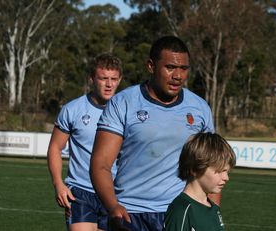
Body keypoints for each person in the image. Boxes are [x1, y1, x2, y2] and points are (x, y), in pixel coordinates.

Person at [90, 35, 215, 231]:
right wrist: (112, 206)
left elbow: (211, 166)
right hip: (130, 213)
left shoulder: (199, 108)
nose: (178, 76)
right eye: (170, 67)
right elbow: (101, 164)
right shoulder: (123, 102)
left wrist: (213, 211)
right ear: (151, 66)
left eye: (183, 69)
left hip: (180, 212)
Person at [47, 53, 122, 231]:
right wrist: (58, 184)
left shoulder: (127, 111)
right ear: (91, 79)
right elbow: (55, 148)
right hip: (80, 192)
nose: (109, 84)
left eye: (114, 79)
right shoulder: (73, 109)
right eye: (103, 78)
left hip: (114, 193)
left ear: (120, 79)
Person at [164, 132, 236, 231]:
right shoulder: (181, 210)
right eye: (220, 171)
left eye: (227, 171)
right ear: (194, 169)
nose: (226, 177)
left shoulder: (214, 208)